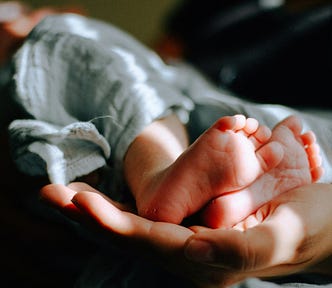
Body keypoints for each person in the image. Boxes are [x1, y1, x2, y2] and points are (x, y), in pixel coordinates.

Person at [3, 10, 332, 288]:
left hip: (228, 131)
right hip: (197, 119)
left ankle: (164, 177)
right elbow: (158, 61)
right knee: (74, 37)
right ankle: (201, 188)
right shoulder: (217, 7)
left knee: (67, 36)